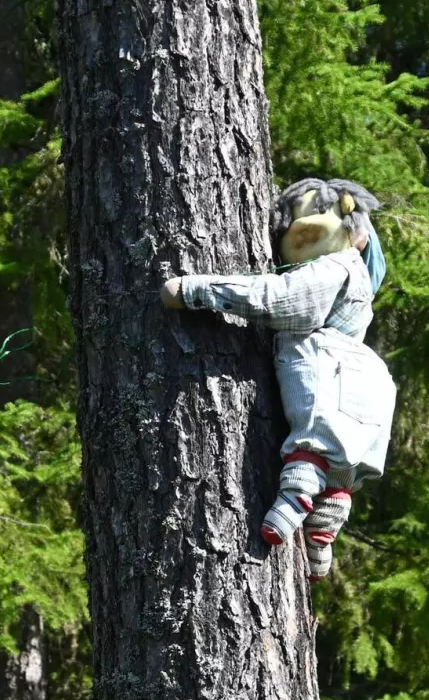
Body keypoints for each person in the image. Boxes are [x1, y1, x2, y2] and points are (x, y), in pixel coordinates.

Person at [159, 178, 396, 581]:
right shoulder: (359, 275)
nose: (296, 231)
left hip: (329, 368)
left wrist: (199, 290)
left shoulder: (333, 266)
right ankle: (322, 534)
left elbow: (282, 299)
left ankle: (289, 508)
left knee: (312, 448)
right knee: (340, 473)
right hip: (370, 379)